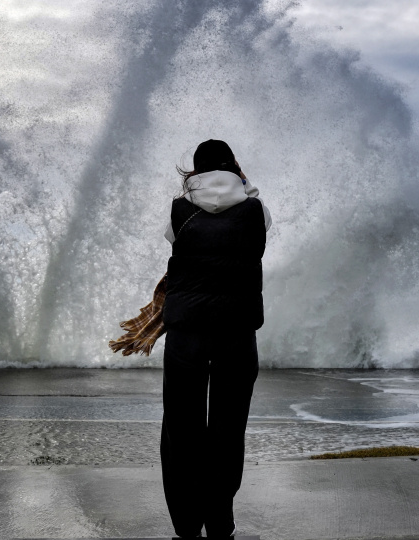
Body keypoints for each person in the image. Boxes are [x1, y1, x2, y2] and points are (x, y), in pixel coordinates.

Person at [160, 139, 272, 538]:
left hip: (186, 337)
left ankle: (187, 526)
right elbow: (252, 205)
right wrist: (243, 182)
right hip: (236, 335)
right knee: (227, 430)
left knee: (181, 430)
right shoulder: (256, 210)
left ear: (195, 172)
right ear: (235, 168)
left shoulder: (179, 212)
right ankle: (220, 522)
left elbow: (175, 243)